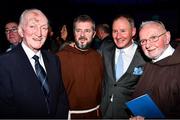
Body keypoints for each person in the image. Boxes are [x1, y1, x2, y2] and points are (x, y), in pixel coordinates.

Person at [0, 8, 69, 118]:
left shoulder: (53, 59)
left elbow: (61, 97)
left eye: (44, 28)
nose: (39, 33)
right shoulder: (4, 63)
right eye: (32, 26)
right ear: (21, 31)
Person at [56, 14, 103, 119]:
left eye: (87, 31)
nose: (82, 35)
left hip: (95, 114)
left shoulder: (98, 57)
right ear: (74, 32)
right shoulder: (59, 58)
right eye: (78, 30)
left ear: (94, 34)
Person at [99, 14, 147, 118]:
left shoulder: (144, 55)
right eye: (115, 31)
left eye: (123, 31)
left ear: (133, 32)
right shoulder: (105, 49)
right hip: (104, 112)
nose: (118, 36)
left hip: (128, 115)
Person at [131, 20, 180, 118]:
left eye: (153, 38)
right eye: (143, 41)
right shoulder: (147, 65)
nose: (148, 45)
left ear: (167, 37)